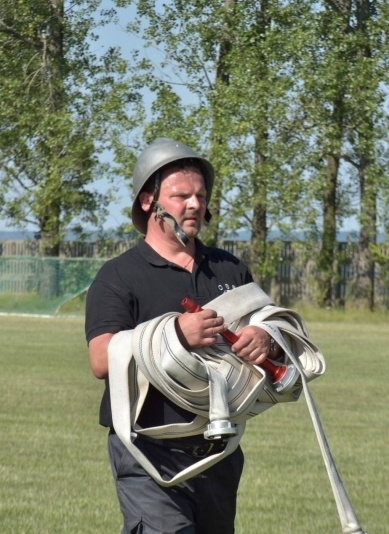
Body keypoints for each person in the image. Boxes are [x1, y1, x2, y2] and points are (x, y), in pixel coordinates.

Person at [85, 138, 280, 534]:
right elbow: (101, 359)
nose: (194, 204)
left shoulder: (230, 269)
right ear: (148, 202)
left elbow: (275, 328)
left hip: (219, 450)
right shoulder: (119, 276)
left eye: (200, 196)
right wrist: (174, 335)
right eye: (180, 196)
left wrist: (266, 336)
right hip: (147, 451)